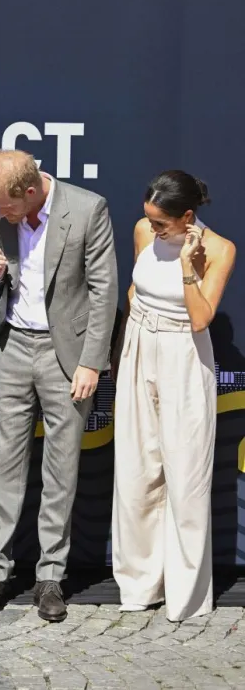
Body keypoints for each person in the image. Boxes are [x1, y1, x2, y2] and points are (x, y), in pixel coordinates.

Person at [0, 149, 118, 621]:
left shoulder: (88, 209)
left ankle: (50, 576)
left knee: (61, 470)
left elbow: (103, 288)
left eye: (7, 207)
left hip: (66, 356)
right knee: (5, 465)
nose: (0, 215)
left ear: (30, 191)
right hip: (13, 347)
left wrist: (92, 362)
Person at [111, 170, 235, 622]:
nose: (153, 228)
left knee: (186, 475)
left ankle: (185, 594)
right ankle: (140, 584)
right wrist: (123, 344)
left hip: (185, 353)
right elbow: (134, 287)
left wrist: (187, 265)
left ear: (187, 217)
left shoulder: (219, 249)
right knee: (137, 470)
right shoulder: (143, 230)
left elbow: (201, 318)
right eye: (150, 220)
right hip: (140, 346)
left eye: (162, 223)